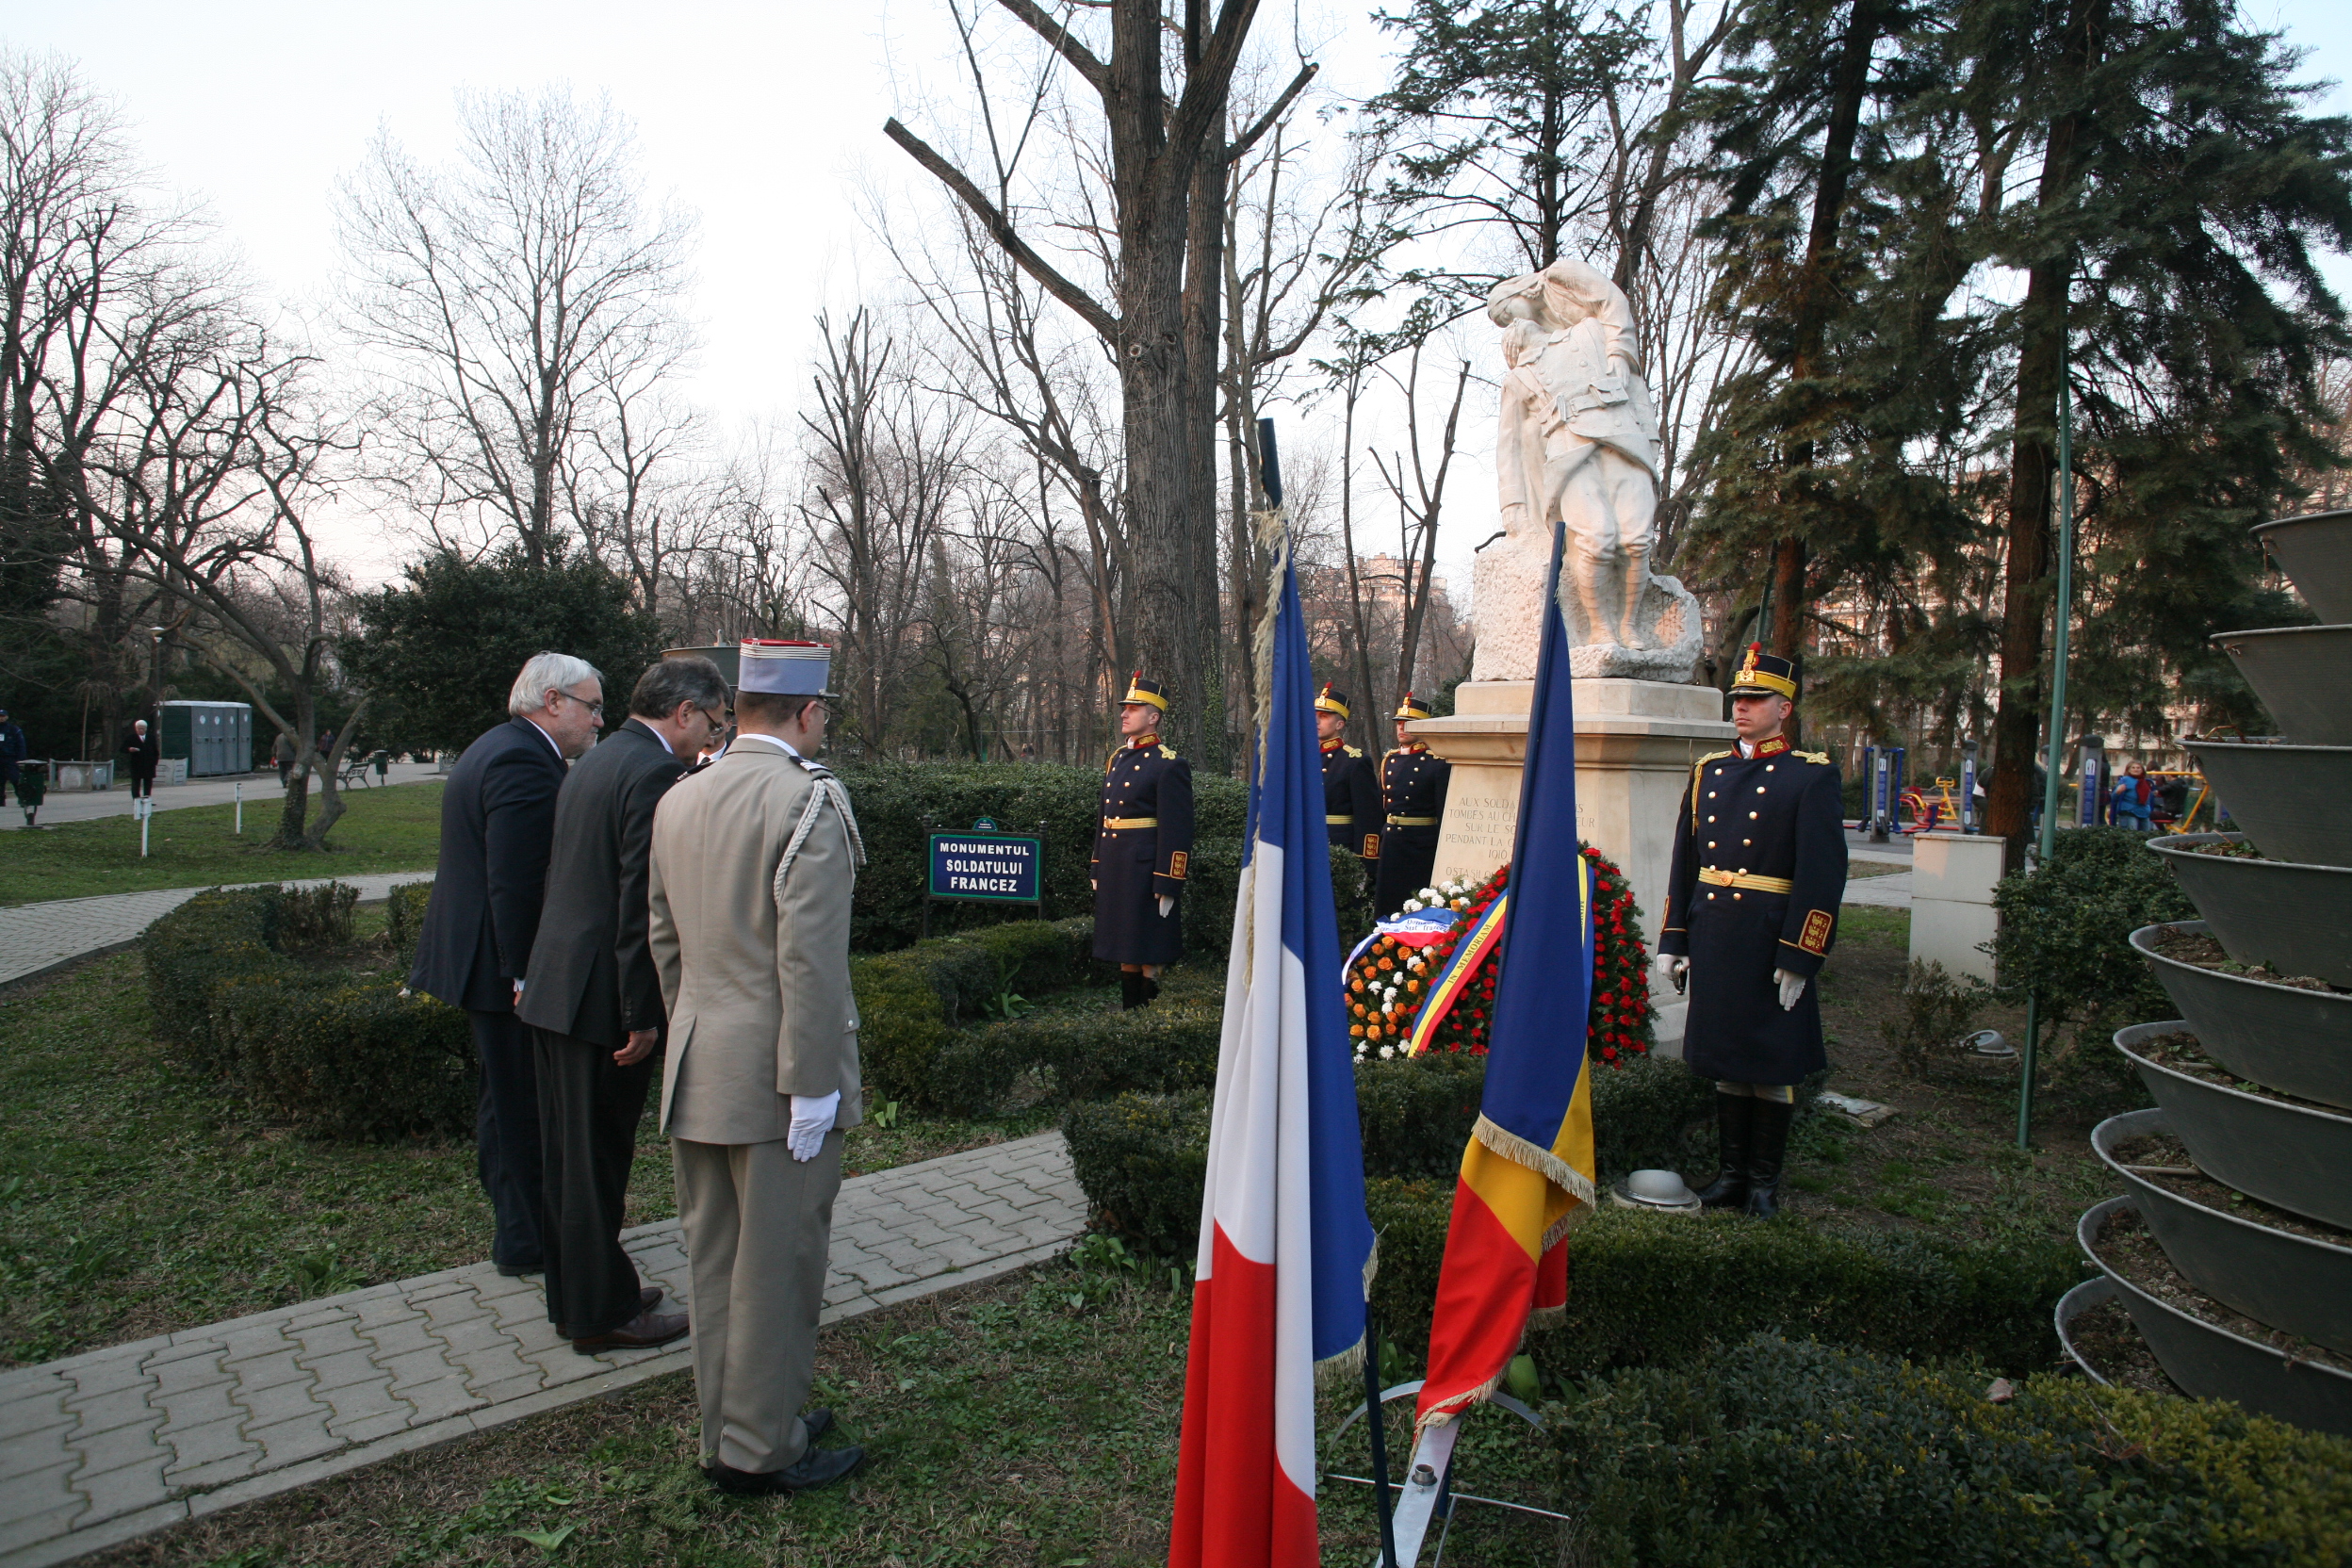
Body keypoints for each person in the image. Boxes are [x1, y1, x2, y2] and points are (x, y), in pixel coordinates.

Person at [648, 638, 865, 1495]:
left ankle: (737, 1424)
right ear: (808, 713)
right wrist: (813, 1084)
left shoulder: (680, 797)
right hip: (781, 1077)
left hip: (700, 1062)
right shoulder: (807, 802)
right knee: (778, 1266)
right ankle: (761, 1451)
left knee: (715, 1263)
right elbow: (809, 962)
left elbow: (665, 943)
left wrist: (691, 1036)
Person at [517, 657, 729, 1355]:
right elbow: (641, 902)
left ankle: (581, 1291)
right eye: (710, 722)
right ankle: (600, 1313)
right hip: (599, 1002)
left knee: (570, 1159)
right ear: (685, 711)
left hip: (558, 986)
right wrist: (642, 1013)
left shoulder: (601, 761)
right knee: (594, 1163)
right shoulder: (652, 773)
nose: (708, 738)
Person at [409, 652, 604, 1277]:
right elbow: (515, 882)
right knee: (524, 1109)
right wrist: (527, 974)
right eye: (592, 706)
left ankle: (519, 1236)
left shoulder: (498, 745)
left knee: (504, 1103)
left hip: (480, 961)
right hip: (501, 969)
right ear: (553, 702)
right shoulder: (522, 759)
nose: (598, 721)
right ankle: (531, 1241)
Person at [1654, 646, 1846, 1219]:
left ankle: (1764, 1183)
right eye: (1738, 698)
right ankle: (1731, 1175)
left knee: (1769, 1065)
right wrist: (1675, 937)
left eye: (1756, 699)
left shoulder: (1809, 777)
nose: (1742, 708)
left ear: (1784, 708)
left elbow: (1822, 875)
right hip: (1716, 934)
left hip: (1768, 939)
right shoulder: (1708, 771)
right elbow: (1684, 861)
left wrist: (1802, 953)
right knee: (1725, 1063)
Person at [1091, 673, 1194, 1009]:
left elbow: (1177, 829)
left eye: (1134, 708)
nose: (1124, 713)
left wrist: (1169, 879)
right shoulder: (1117, 759)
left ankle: (1147, 1016)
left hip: (1145, 871)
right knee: (1125, 948)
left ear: (1154, 717)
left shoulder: (1169, 765)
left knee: (1148, 949)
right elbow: (1104, 817)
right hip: (1117, 866)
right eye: (1124, 707)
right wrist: (1097, 863)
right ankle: (1127, 1014)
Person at [1374, 693, 1452, 918]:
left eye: (1408, 723)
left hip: (1420, 843)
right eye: (1399, 723)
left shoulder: (1436, 762)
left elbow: (1442, 810)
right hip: (1392, 840)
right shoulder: (1389, 760)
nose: (1402, 728)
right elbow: (1382, 805)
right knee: (1388, 902)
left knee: (1415, 901)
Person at [1315, 684, 1380, 878]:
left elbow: (1368, 817)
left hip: (1338, 850)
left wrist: (1365, 862)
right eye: (1315, 715)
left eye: (1324, 716)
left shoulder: (1354, 762)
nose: (1316, 720)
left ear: (1339, 725)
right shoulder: (1300, 759)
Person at [122, 718, 158, 804]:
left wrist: (154, 762)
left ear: (145, 729)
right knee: (136, 783)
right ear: (136, 729)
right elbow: (122, 749)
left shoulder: (151, 738)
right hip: (136, 764)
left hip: (149, 764)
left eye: (142, 728)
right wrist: (129, 749)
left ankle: (147, 799)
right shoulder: (131, 738)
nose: (140, 730)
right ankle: (136, 799)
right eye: (138, 728)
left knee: (148, 783)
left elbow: (155, 751)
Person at [2113, 760, 2154, 830]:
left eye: (2138, 768)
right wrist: (2118, 791)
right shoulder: (2125, 780)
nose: (2136, 770)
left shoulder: (2146, 782)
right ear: (2128, 770)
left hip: (2144, 812)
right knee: (2131, 834)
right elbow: (2114, 797)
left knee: (2145, 836)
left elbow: (2149, 798)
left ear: (2142, 770)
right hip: (2129, 811)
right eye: (2133, 768)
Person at [0, 706, 24, 807]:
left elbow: (21, 745)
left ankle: (23, 799)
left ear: (7, 717)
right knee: (0, 781)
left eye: (3, 716)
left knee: (15, 779)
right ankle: (1, 802)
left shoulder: (14, 730)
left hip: (11, 759)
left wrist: (21, 760)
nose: (1, 718)